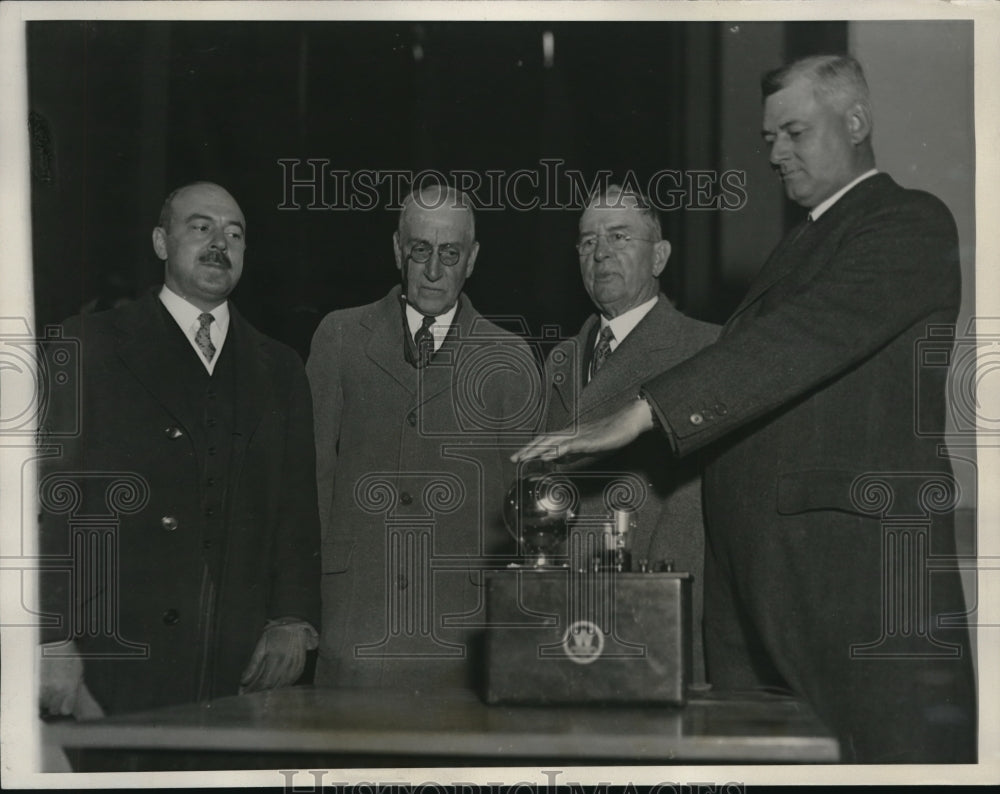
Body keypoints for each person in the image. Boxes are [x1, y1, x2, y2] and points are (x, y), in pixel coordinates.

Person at [513, 55, 976, 763]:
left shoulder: (907, 222)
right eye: (767, 138)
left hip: (857, 597)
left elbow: (798, 340)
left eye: (793, 131)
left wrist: (643, 411)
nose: (773, 154)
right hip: (781, 598)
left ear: (856, 121)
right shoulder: (802, 243)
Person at [38, 182, 321, 719]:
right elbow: (52, 502)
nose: (220, 243)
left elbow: (296, 514)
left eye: (234, 234)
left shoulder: (280, 368)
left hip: (238, 670)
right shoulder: (90, 344)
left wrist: (291, 621)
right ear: (161, 242)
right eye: (201, 227)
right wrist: (51, 641)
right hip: (112, 662)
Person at [307, 184, 537, 691]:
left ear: (472, 259)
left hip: (463, 635)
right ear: (397, 250)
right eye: (420, 251)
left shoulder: (511, 360)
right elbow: (312, 481)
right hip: (353, 623)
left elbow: (524, 512)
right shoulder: (339, 338)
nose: (434, 271)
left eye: (450, 253)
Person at [541, 184, 718, 682]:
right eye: (587, 241)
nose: (600, 253)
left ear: (659, 257)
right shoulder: (561, 360)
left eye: (619, 237)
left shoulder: (707, 351)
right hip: (568, 620)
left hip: (657, 620)